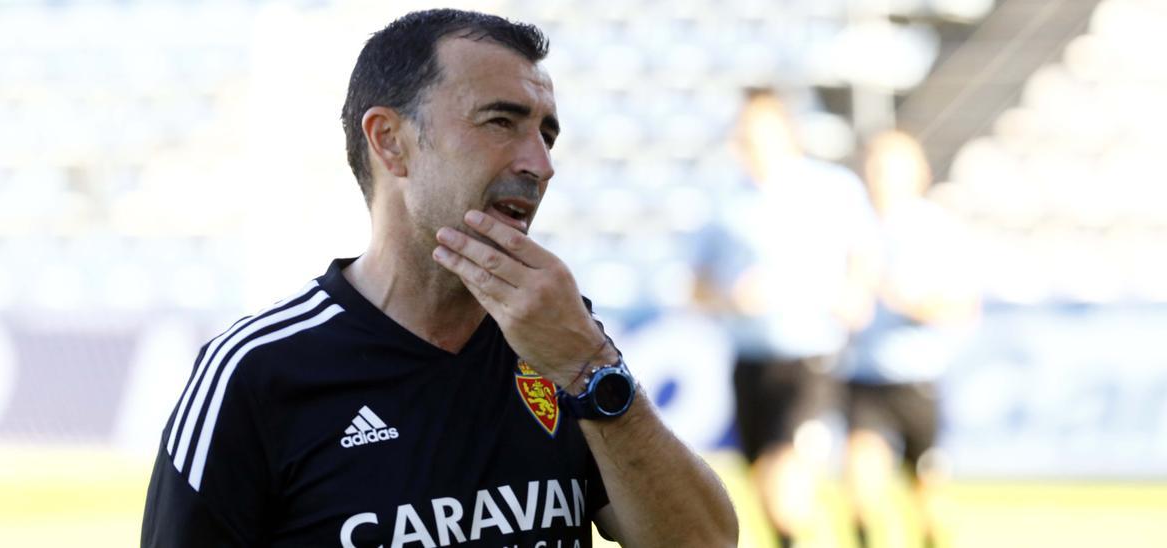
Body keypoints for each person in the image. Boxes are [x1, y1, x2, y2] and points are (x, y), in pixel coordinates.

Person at [140, 9, 738, 548]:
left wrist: (589, 366)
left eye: (547, 132)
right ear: (391, 143)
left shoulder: (560, 339)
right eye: (502, 122)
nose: (541, 164)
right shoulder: (257, 372)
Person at [691, 90, 877, 548]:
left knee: (784, 471)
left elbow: (865, 252)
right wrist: (731, 298)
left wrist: (856, 292)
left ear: (788, 134)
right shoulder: (725, 203)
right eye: (745, 132)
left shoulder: (832, 188)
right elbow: (696, 287)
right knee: (762, 481)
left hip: (810, 354)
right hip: (752, 359)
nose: (751, 141)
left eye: (761, 131)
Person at [841, 131, 979, 548]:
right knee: (860, 488)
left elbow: (962, 306)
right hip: (864, 377)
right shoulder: (854, 226)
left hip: (917, 379)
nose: (879, 176)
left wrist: (914, 303)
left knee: (928, 497)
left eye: (890, 167)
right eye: (875, 165)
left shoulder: (935, 229)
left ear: (918, 173)